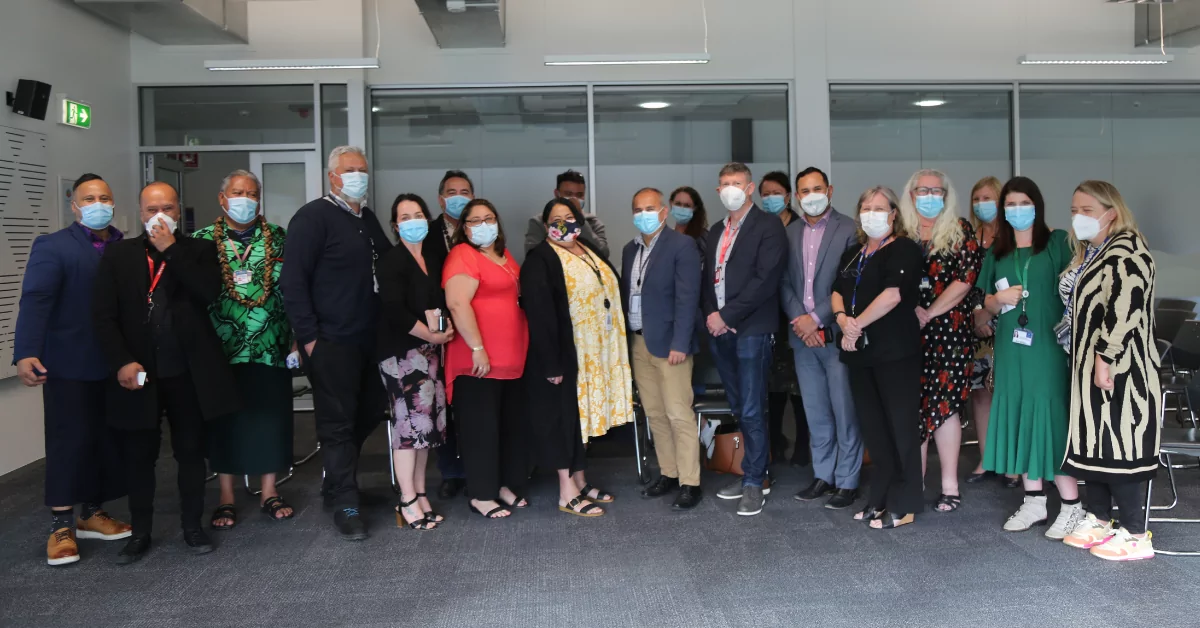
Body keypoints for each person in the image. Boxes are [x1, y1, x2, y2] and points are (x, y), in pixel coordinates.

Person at [92, 181, 240, 563]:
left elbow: (209, 293)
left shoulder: (200, 250)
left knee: (190, 452)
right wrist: (121, 361)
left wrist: (170, 251)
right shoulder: (119, 255)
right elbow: (103, 316)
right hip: (138, 371)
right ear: (140, 213)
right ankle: (140, 532)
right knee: (139, 455)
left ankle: (192, 526)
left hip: (187, 371)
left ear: (178, 211)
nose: (159, 215)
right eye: (151, 209)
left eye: (168, 208)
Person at [14, 173, 131, 566]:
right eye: (90, 197)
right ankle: (61, 526)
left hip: (115, 363)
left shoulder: (125, 247)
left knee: (106, 439)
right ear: (74, 205)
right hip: (69, 362)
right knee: (69, 441)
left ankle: (92, 513)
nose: (99, 203)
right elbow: (36, 298)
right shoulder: (53, 246)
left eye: (105, 196)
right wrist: (26, 350)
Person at [280, 146, 391, 541]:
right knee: (338, 423)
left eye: (362, 170)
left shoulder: (367, 218)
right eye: (349, 170)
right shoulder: (313, 218)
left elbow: (387, 266)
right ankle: (345, 501)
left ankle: (337, 484)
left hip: (369, 340)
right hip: (330, 342)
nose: (357, 176)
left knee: (367, 413)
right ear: (333, 178)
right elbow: (291, 283)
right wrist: (309, 340)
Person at [975, 176, 1083, 539]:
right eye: (1010, 204)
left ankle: (1071, 505)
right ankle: (1034, 499)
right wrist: (995, 302)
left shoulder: (1056, 244)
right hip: (1011, 349)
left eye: (1024, 203)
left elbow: (1076, 291)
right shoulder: (998, 252)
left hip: (1048, 348)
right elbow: (980, 307)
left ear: (1037, 205)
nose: (1016, 210)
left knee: (1050, 417)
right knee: (1019, 415)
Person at [1059, 181, 1161, 561]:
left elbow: (1125, 310)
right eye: (1074, 209)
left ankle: (1136, 534)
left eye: (1087, 210)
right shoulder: (1093, 252)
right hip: (1089, 367)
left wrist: (1105, 358)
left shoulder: (1128, 251)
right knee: (1095, 446)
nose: (1078, 217)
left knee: (1122, 445)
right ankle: (1099, 518)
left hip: (1123, 370)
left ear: (1111, 211)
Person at [193, 170, 295, 531]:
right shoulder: (201, 241)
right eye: (238, 193)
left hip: (271, 346)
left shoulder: (280, 239)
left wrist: (296, 338)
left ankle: (269, 491)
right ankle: (226, 496)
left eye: (252, 193)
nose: (245, 199)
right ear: (223, 199)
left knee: (271, 418)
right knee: (226, 422)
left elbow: (294, 291)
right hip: (221, 349)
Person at [523, 197, 633, 516]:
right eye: (556, 219)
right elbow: (540, 315)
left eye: (569, 217)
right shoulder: (540, 259)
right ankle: (566, 491)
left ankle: (581, 481)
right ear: (545, 226)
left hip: (594, 354)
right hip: (565, 357)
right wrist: (551, 362)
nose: (564, 224)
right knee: (564, 421)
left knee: (581, 421)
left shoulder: (586, 247)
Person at [831, 186, 924, 530]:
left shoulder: (903, 249)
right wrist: (843, 322)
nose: (871, 213)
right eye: (866, 207)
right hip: (860, 353)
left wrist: (854, 327)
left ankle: (906, 502)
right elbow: (837, 291)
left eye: (879, 208)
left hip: (894, 352)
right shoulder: (854, 253)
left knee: (900, 428)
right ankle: (879, 498)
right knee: (874, 429)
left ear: (894, 214)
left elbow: (892, 296)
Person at [703, 162, 787, 516]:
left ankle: (755, 480)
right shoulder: (714, 231)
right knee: (738, 407)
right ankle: (751, 472)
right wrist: (714, 317)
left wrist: (727, 316)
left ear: (750, 188)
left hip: (751, 329)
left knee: (753, 407)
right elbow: (710, 278)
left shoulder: (768, 226)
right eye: (724, 184)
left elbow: (765, 280)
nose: (730, 189)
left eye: (736, 183)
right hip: (720, 330)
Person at [898, 169, 982, 514]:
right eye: (923, 190)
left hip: (949, 330)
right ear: (911, 193)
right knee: (912, 407)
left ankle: (950, 485)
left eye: (937, 190)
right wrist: (913, 312)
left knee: (945, 408)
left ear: (946, 196)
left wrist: (929, 312)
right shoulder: (899, 231)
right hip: (904, 330)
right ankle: (913, 484)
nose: (930, 196)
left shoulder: (961, 230)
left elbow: (965, 280)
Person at [615, 188, 703, 509]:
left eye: (649, 208)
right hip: (639, 341)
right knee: (655, 413)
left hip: (671, 345)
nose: (643, 214)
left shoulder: (682, 246)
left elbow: (688, 298)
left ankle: (690, 482)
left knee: (679, 413)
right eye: (638, 209)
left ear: (664, 211)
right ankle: (669, 473)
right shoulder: (629, 250)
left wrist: (681, 342)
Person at [782, 167, 863, 509]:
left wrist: (815, 320)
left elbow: (850, 283)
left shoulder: (849, 229)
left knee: (844, 409)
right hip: (802, 338)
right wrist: (800, 320)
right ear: (797, 196)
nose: (811, 195)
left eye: (817, 188)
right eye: (804, 190)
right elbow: (782, 282)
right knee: (815, 410)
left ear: (829, 190)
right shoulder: (790, 232)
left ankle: (847, 480)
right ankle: (823, 474)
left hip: (833, 334)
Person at [443, 199, 530, 519]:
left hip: (510, 361)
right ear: (464, 228)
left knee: (506, 428)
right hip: (478, 361)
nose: (483, 225)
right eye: (475, 220)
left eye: (489, 218)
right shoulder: (462, 255)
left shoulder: (503, 255)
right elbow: (456, 303)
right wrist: (478, 347)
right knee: (480, 430)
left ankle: (501, 485)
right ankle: (481, 494)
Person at [376, 193, 455, 531]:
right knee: (408, 429)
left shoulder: (433, 257)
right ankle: (406, 499)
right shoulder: (391, 260)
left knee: (428, 429)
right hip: (402, 355)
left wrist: (444, 330)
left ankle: (421, 493)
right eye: (405, 216)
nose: (413, 221)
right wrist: (430, 335)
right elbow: (394, 310)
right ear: (395, 225)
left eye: (418, 214)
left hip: (431, 353)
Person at [965, 176, 1017, 488]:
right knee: (980, 395)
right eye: (976, 198)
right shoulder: (969, 238)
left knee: (1004, 393)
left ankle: (1012, 463)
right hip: (974, 323)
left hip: (1008, 325)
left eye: (987, 198)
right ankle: (987, 459)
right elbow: (967, 282)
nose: (982, 204)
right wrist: (978, 315)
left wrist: (991, 313)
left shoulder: (1012, 239)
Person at [424, 170, 472, 499]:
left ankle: (476, 465)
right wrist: (440, 330)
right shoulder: (426, 235)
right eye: (452, 192)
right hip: (440, 328)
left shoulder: (481, 230)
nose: (459, 197)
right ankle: (451, 471)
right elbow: (425, 286)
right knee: (442, 402)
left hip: (474, 329)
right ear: (441, 199)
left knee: (471, 402)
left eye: (465, 191)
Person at [759, 171, 811, 468]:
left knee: (800, 390)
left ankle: (804, 446)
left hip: (798, 317)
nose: (770, 199)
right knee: (773, 389)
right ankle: (775, 445)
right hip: (769, 318)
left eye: (776, 193)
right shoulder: (759, 226)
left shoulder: (799, 228)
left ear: (788, 196)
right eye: (765, 194)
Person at [524, 170, 609, 258]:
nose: (574, 199)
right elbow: (531, 255)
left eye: (579, 195)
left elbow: (603, 254)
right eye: (568, 194)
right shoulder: (539, 222)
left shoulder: (592, 222)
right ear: (557, 194)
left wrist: (580, 220)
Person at [669, 185, 710, 257]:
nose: (681, 208)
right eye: (678, 204)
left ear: (694, 208)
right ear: (671, 203)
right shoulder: (665, 236)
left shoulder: (703, 238)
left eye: (687, 205)